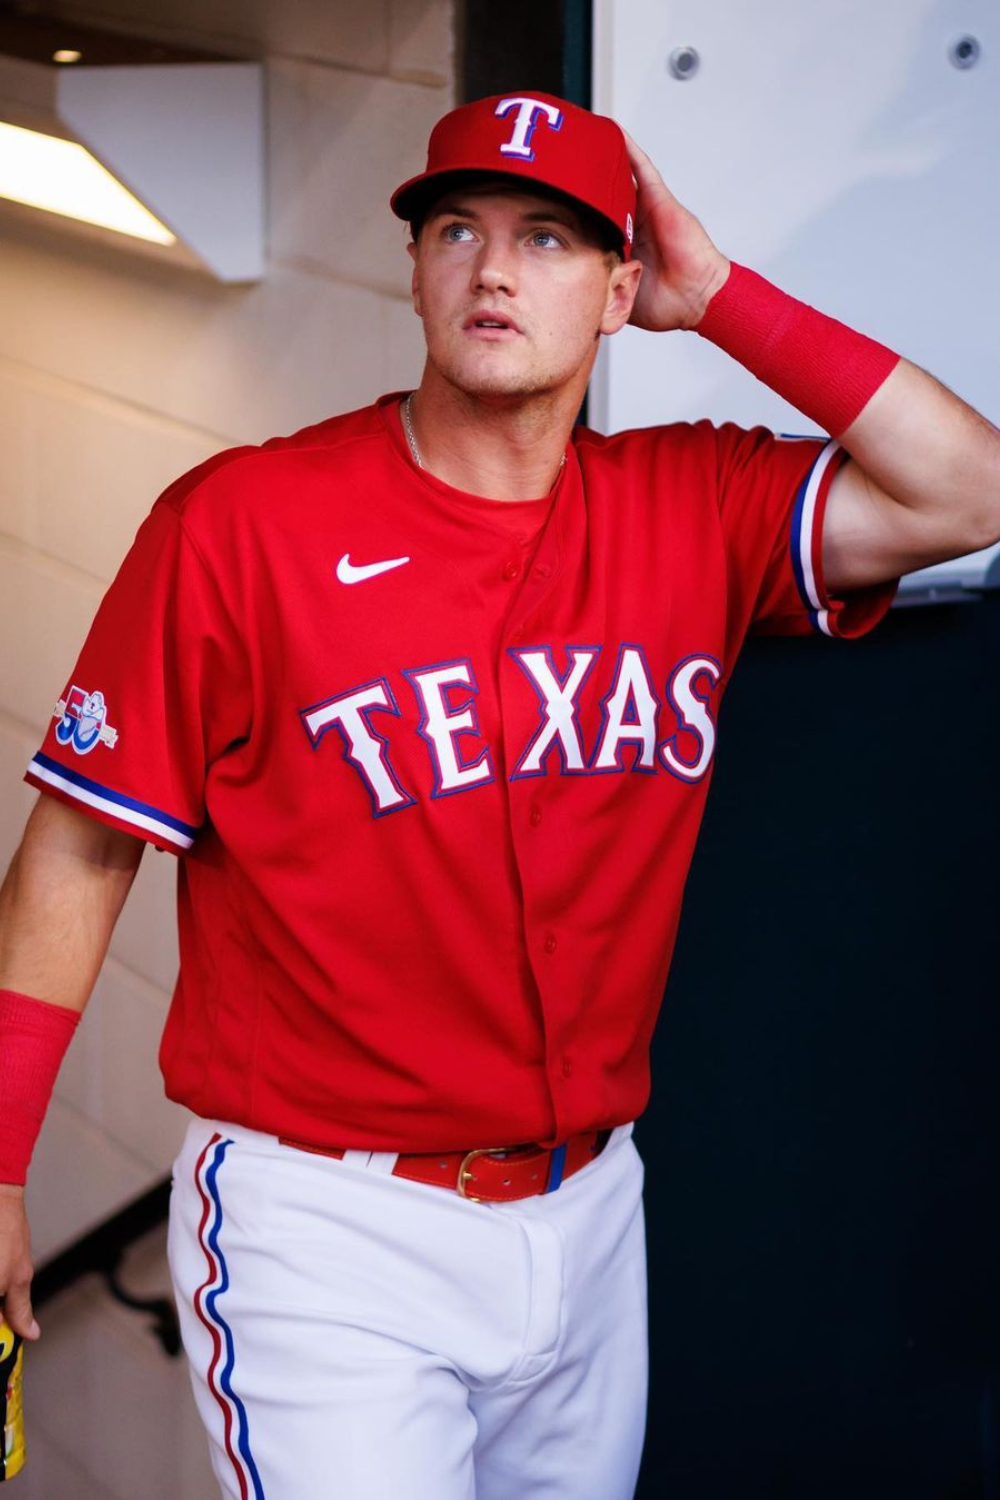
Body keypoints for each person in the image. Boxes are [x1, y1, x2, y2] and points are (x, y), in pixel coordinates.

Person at [1, 90, 998, 1500]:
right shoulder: (240, 527)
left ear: (621, 289)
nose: (493, 269)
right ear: (412, 265)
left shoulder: (693, 503)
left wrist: (724, 299)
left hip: (592, 1214)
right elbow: (79, 853)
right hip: (329, 1225)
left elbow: (971, 489)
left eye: (549, 239)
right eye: (457, 227)